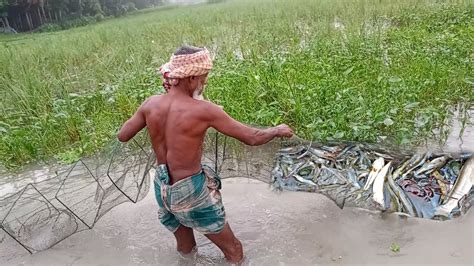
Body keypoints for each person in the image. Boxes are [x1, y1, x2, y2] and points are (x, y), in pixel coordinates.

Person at [117, 45, 293, 263]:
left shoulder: (151, 104)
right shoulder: (206, 110)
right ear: (191, 78)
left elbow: (123, 135)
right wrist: (277, 130)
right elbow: (253, 137)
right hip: (190, 191)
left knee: (186, 247)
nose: (205, 82)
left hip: (162, 188)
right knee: (234, 250)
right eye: (204, 77)